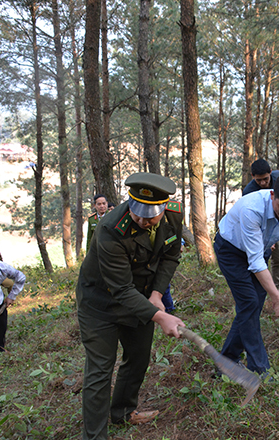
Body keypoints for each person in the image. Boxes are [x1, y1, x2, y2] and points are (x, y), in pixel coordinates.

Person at [76, 173, 185, 439]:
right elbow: (121, 289)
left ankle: (123, 412)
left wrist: (157, 293)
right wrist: (160, 317)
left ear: (163, 207)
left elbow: (170, 256)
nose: (142, 220)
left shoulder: (173, 215)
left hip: (142, 298)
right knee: (100, 370)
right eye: (137, 212)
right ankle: (95, 436)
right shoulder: (111, 229)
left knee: (138, 358)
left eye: (150, 216)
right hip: (100, 304)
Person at [215, 171, 279, 375]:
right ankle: (260, 368)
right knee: (249, 303)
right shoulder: (251, 208)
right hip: (231, 250)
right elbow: (254, 261)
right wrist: (277, 299)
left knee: (252, 306)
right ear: (272, 195)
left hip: (261, 251)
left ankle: (225, 363)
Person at [243, 158, 279, 287]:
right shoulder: (249, 192)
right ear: (252, 176)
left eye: (265, 179)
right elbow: (249, 217)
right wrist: (264, 236)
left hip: (278, 222)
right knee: (260, 257)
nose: (263, 182)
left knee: (277, 257)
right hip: (257, 226)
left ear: (271, 172)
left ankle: (278, 285)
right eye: (258, 180)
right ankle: (261, 285)